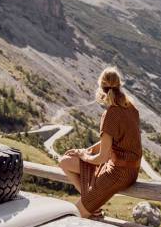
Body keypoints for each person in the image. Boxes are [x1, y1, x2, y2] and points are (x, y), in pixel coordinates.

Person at [59, 67, 142, 218]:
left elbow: (102, 157)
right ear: (119, 85)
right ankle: (91, 202)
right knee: (65, 161)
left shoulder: (110, 114)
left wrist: (84, 156)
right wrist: (84, 151)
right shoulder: (131, 107)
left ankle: (90, 205)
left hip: (117, 173)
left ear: (101, 88)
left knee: (74, 215)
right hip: (131, 171)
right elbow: (108, 144)